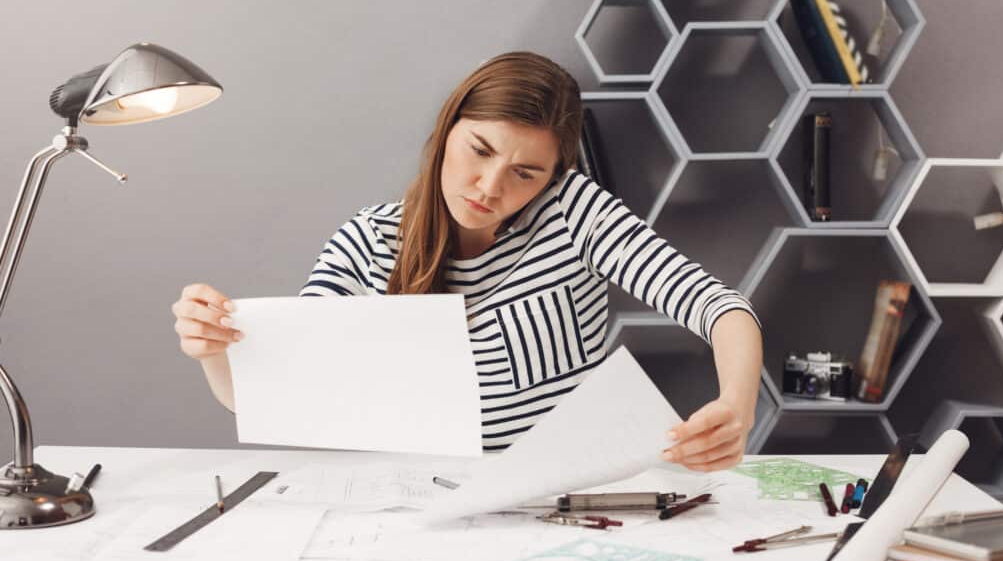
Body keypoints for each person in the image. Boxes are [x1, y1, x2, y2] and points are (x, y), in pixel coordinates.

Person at [172, 52, 764, 472]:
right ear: (447, 129)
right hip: (411, 492)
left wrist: (736, 406)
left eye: (525, 173)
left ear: (552, 179)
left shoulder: (573, 212)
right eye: (478, 150)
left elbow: (720, 307)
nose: (488, 186)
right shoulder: (368, 240)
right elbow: (287, 394)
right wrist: (216, 351)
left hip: (561, 489)